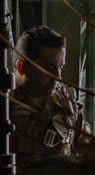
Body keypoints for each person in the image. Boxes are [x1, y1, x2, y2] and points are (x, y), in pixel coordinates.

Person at [10, 25, 85, 166]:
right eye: (49, 68)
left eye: (60, 67)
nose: (58, 77)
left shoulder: (66, 102)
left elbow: (83, 147)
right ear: (22, 67)